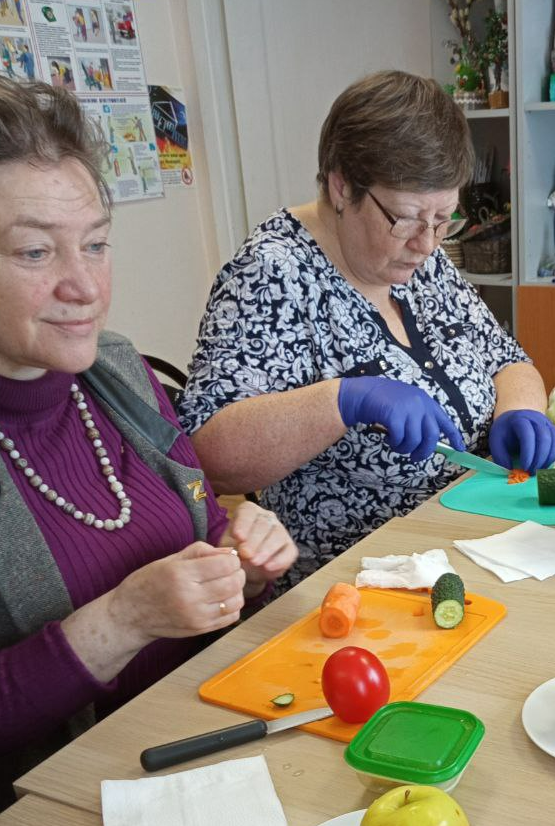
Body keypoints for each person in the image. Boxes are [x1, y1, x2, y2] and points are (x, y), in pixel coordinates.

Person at [0, 78, 298, 807]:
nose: (86, 287)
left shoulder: (120, 371)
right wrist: (121, 620)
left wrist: (245, 561)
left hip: (209, 747)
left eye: (96, 244)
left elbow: (212, 533)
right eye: (36, 252)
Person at [179, 70, 555, 592]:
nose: (427, 243)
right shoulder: (271, 275)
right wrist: (343, 401)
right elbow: (208, 452)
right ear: (342, 186)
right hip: (360, 586)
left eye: (444, 219)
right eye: (405, 218)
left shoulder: (420, 258)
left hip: (474, 549)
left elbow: (504, 358)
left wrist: (522, 409)